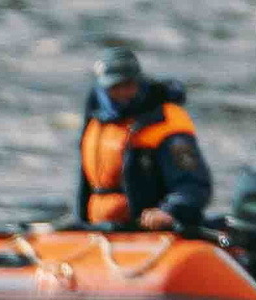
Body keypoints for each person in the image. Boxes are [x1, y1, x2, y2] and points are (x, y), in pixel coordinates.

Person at [76, 47, 210, 232]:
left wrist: (169, 212)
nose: (123, 92)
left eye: (128, 85)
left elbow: (193, 185)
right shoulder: (96, 116)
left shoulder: (166, 120)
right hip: (100, 230)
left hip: (146, 231)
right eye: (115, 87)